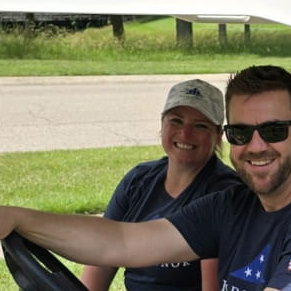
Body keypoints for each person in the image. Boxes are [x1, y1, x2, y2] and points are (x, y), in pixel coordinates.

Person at [0, 65, 291, 291]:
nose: (256, 147)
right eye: (240, 133)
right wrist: (16, 218)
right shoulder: (233, 205)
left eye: (272, 131)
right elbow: (121, 242)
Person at [81, 79, 240, 291]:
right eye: (176, 121)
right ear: (162, 124)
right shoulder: (139, 181)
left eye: (200, 126)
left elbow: (212, 287)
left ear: (218, 136)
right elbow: (101, 255)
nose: (185, 134)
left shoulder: (225, 194)